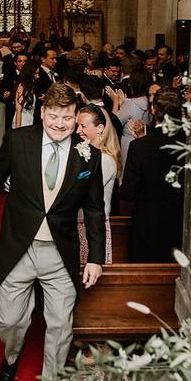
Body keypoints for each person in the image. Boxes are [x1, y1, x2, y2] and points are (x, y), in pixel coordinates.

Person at [0, 83, 105, 381]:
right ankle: (12, 356)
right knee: (9, 320)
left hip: (61, 253)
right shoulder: (19, 141)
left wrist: (96, 257)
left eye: (67, 118)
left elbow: (96, 210)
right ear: (42, 113)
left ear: (75, 118)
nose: (59, 124)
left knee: (60, 324)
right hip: (20, 248)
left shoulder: (90, 156)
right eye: (54, 116)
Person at [120, 88, 184, 262]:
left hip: (147, 225)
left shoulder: (140, 147)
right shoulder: (189, 144)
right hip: (181, 226)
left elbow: (128, 192)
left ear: (153, 110)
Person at [75, 103, 119, 265]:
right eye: (77, 125)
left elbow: (83, 194)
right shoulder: (84, 154)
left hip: (92, 229)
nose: (78, 130)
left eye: (83, 126)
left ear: (100, 128)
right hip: (78, 226)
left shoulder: (105, 160)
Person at [111, 70, 154, 174]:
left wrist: (115, 102)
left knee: (128, 173)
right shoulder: (151, 102)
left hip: (129, 143)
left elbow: (114, 121)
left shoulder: (130, 103)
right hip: (146, 141)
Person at [12, 60, 37, 129]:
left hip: (29, 120)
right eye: (36, 74)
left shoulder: (31, 87)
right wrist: (17, 130)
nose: (37, 76)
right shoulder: (21, 86)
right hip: (21, 121)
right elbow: (18, 110)